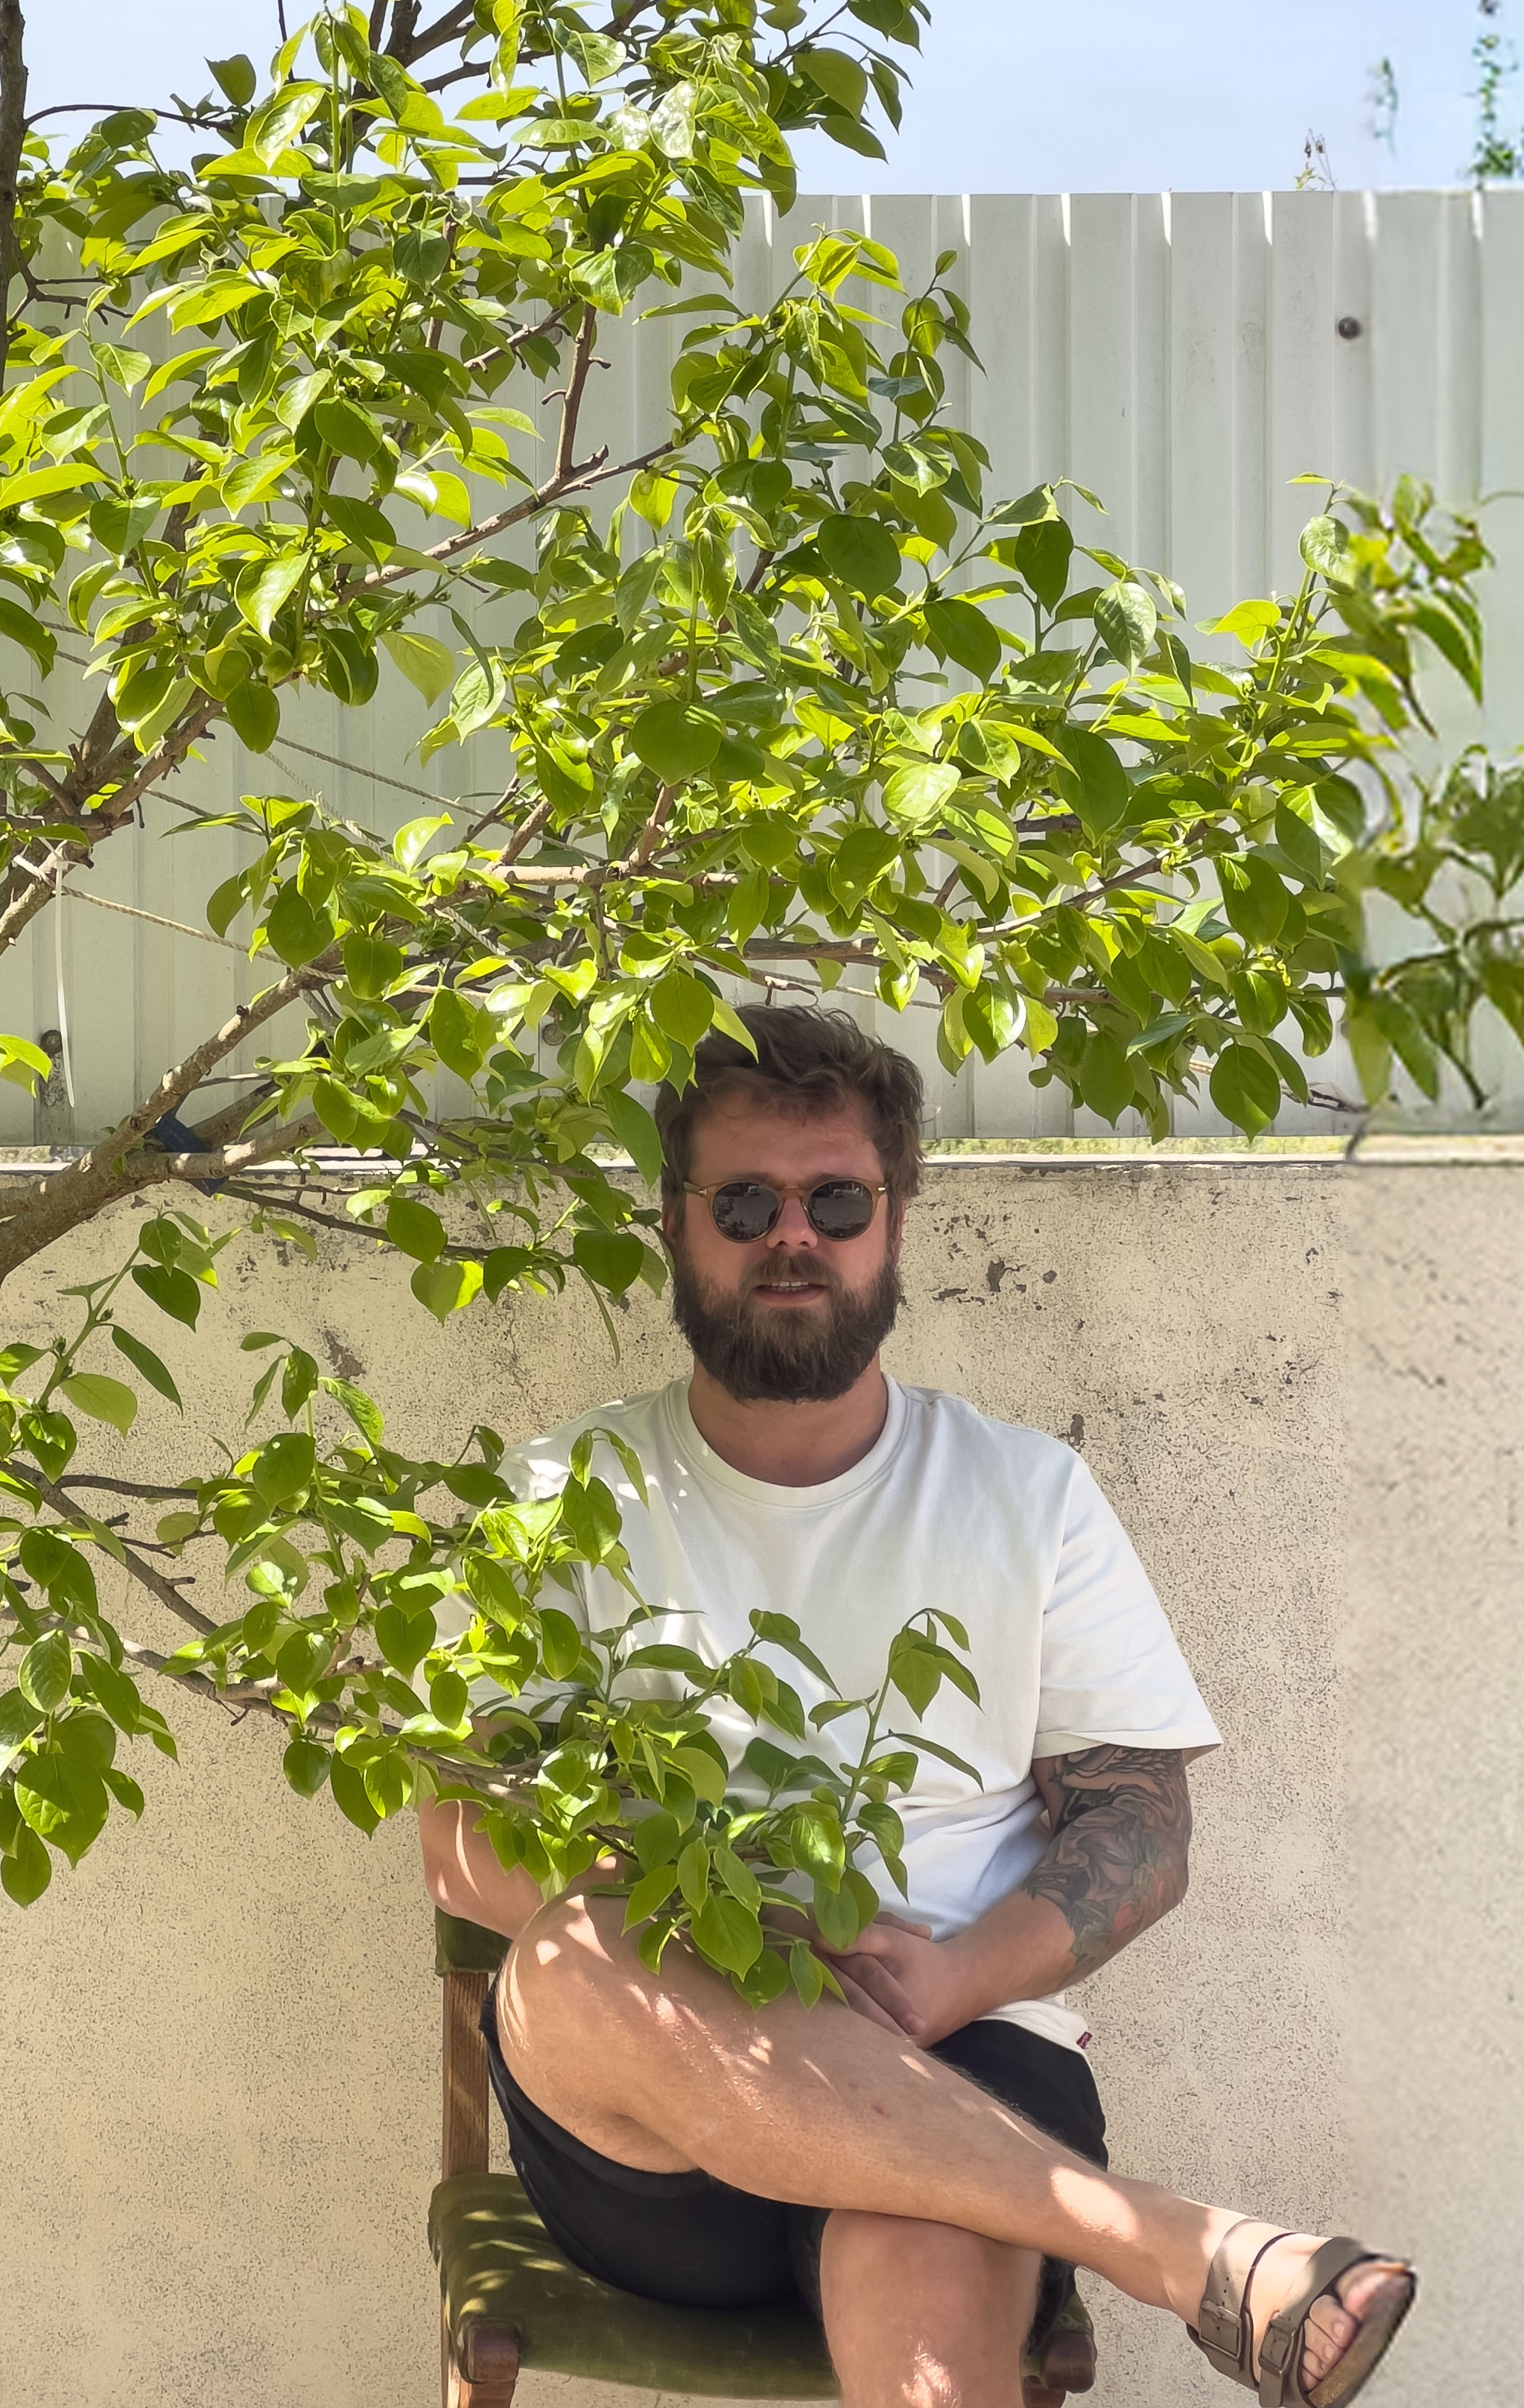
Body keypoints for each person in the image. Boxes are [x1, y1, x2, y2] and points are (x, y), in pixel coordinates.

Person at [424, 1009, 1418, 2408]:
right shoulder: (554, 1502)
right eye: (747, 1201)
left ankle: (1150, 2238)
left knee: (936, 2346)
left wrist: (947, 1980)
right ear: (675, 1222)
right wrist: (733, 1928)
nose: (794, 1236)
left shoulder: (1027, 1496)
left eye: (836, 1199)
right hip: (658, 2138)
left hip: (964, 2054)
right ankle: (1187, 2251)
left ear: (892, 1219)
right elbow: (464, 1837)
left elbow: (1142, 1823)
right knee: (570, 1964)